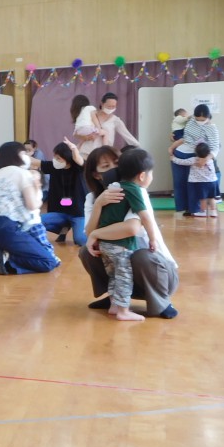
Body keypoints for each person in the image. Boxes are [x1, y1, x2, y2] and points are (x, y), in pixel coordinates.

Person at [79, 147, 179, 318]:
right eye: (106, 166)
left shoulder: (135, 191)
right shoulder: (92, 198)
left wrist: (97, 234)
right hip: (123, 263)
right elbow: (89, 232)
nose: (113, 168)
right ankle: (114, 301)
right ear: (96, 175)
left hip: (157, 272)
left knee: (140, 255)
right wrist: (98, 205)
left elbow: (132, 228)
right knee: (88, 251)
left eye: (116, 163)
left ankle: (161, 302)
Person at [92, 149, 159, 322]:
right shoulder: (135, 190)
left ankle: (115, 305)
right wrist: (153, 238)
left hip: (104, 244)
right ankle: (123, 310)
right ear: (142, 176)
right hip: (120, 244)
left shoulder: (113, 188)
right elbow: (145, 217)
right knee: (124, 276)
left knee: (114, 275)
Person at [0, 142, 60, 275]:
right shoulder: (22, 173)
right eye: (23, 153)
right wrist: (37, 187)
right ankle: (8, 260)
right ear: (16, 156)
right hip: (7, 228)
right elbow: (32, 205)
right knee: (48, 261)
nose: (27, 156)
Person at [169, 104, 220, 215]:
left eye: (203, 120)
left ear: (208, 116)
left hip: (198, 156)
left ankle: (195, 209)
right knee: (179, 183)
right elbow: (185, 137)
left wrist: (205, 159)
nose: (199, 121)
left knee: (193, 185)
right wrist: (172, 146)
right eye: (197, 119)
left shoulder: (212, 128)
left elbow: (215, 147)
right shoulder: (191, 120)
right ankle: (185, 208)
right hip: (181, 153)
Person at [38, 138, 87, 246]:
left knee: (80, 240)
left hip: (78, 213)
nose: (55, 160)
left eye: (58, 158)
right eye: (54, 157)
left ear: (67, 158)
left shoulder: (78, 168)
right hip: (61, 212)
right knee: (36, 221)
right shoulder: (55, 166)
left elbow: (79, 160)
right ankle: (65, 226)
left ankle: (73, 226)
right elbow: (35, 163)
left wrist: (74, 149)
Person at [76, 92, 140, 157]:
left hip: (103, 155)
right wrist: (85, 137)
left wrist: (139, 149)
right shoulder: (90, 115)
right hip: (85, 152)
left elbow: (128, 136)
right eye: (109, 106)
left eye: (113, 106)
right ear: (102, 103)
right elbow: (77, 132)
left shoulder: (116, 120)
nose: (111, 108)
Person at [171, 142, 217, 218]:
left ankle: (203, 211)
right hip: (212, 182)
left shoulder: (195, 160)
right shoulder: (210, 160)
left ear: (196, 152)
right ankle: (213, 212)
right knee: (212, 197)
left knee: (203, 198)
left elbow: (182, 162)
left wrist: (173, 159)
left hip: (202, 183)